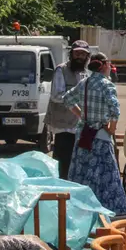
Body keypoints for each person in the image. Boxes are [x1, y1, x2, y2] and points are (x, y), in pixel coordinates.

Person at [63, 52, 126, 215]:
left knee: (82, 175)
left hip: (83, 136)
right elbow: (115, 111)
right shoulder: (107, 85)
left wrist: (81, 116)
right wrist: (112, 128)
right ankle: (108, 212)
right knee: (105, 178)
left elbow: (67, 99)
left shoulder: (84, 83)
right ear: (104, 65)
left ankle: (80, 210)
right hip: (100, 137)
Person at [45, 40, 91, 180]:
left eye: (83, 54)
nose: (79, 56)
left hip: (81, 127)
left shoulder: (87, 73)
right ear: (71, 54)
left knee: (80, 164)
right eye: (77, 53)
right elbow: (57, 96)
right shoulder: (61, 69)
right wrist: (77, 99)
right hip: (64, 127)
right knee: (63, 165)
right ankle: (62, 197)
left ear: (87, 57)